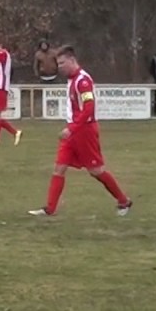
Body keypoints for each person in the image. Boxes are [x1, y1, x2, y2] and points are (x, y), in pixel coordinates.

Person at [29, 46, 133, 217]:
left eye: (62, 63)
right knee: (59, 168)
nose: (60, 67)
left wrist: (72, 128)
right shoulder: (72, 79)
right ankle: (50, 209)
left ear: (72, 60)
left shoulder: (83, 81)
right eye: (58, 63)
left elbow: (89, 108)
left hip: (84, 131)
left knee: (96, 171)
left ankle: (123, 201)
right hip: (73, 130)